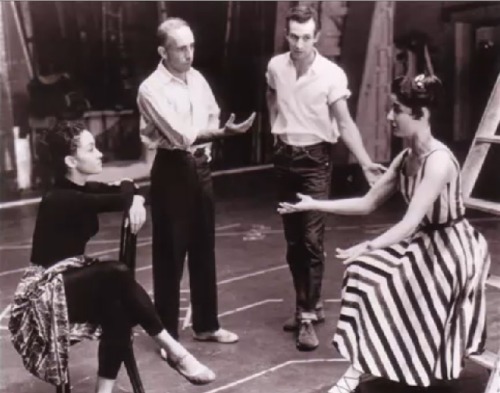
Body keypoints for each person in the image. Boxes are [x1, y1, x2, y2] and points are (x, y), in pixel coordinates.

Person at [278, 71, 491, 392]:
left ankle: (412, 363)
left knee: (398, 290)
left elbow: (409, 222)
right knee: (362, 275)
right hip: (425, 243)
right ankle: (358, 370)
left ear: (422, 115)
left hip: (454, 248)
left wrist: (370, 246)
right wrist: (313, 205)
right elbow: (367, 203)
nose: (390, 116)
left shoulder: (438, 162)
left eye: (397, 110)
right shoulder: (406, 158)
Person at [8, 120, 216, 393]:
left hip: (69, 286)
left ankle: (103, 392)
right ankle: (174, 350)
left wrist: (136, 199)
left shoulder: (82, 189)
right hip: (43, 294)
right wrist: (131, 198)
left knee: (118, 308)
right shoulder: (61, 199)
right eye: (91, 149)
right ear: (71, 160)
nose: (100, 154)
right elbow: (121, 196)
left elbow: (130, 186)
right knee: (115, 271)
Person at [265, 4, 384, 351]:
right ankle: (309, 304)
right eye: (293, 36)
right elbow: (272, 94)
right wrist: (277, 128)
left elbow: (345, 124)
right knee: (292, 242)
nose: (299, 44)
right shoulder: (275, 67)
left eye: (306, 37)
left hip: (316, 161)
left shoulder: (332, 74)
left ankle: (305, 318)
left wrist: (364, 163)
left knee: (311, 241)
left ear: (316, 37)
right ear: (287, 35)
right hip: (285, 158)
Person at [136, 18, 255, 350]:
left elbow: (213, 113)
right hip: (171, 169)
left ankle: (206, 325)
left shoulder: (197, 78)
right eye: (181, 48)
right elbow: (178, 135)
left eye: (192, 46)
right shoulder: (150, 89)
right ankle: (168, 338)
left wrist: (211, 144)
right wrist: (218, 134)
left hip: (200, 168)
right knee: (170, 255)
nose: (189, 54)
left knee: (204, 249)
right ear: (163, 51)